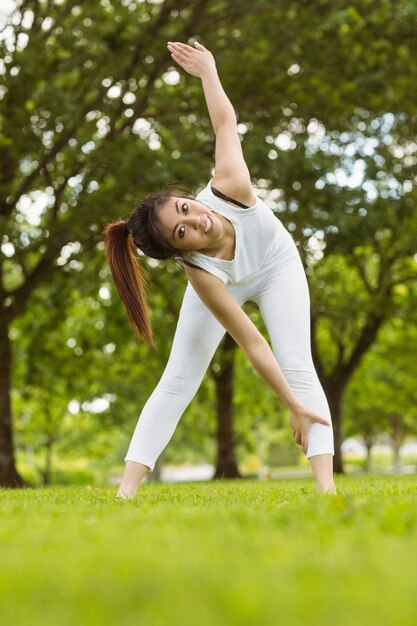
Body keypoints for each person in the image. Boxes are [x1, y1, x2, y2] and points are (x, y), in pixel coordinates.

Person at [104, 40, 336, 499]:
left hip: (277, 265)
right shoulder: (201, 274)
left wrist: (209, 71)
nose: (195, 220)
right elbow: (251, 341)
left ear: (187, 196)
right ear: (180, 253)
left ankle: (326, 488)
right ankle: (125, 492)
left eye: (185, 208)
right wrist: (290, 406)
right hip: (229, 281)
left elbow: (224, 122)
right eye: (182, 232)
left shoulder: (230, 185)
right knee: (179, 377)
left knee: (298, 363)